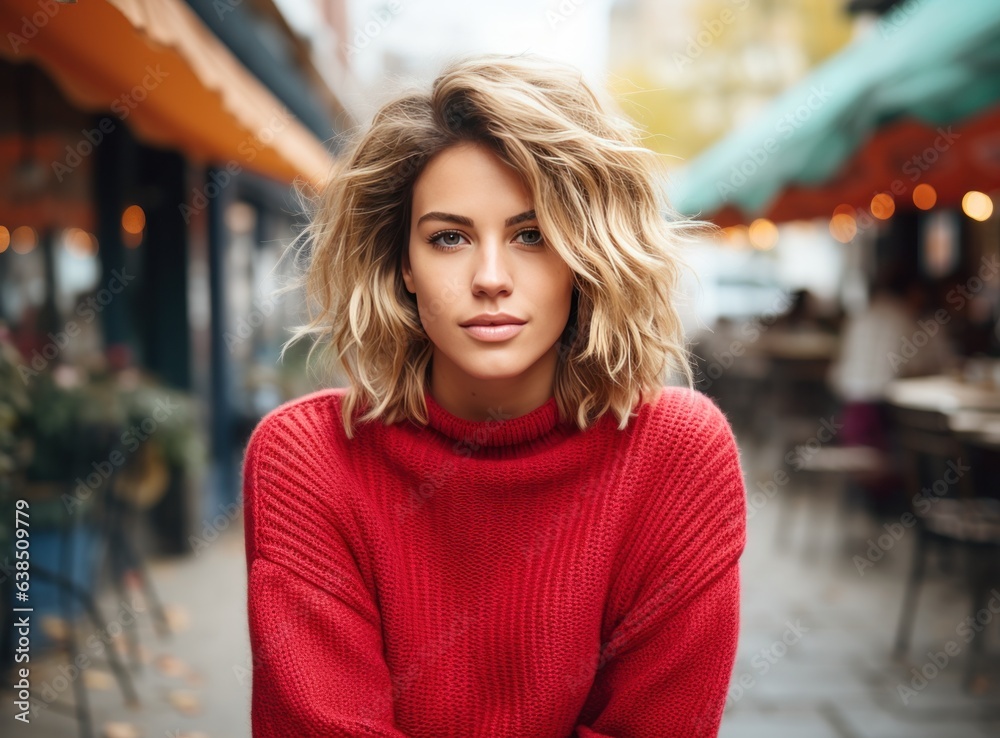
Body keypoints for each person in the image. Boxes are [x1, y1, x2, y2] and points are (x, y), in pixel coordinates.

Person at [242, 52, 747, 737]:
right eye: (448, 237)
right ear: (403, 267)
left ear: (586, 256)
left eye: (531, 235)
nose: (489, 277)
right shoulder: (309, 460)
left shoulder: (676, 457)